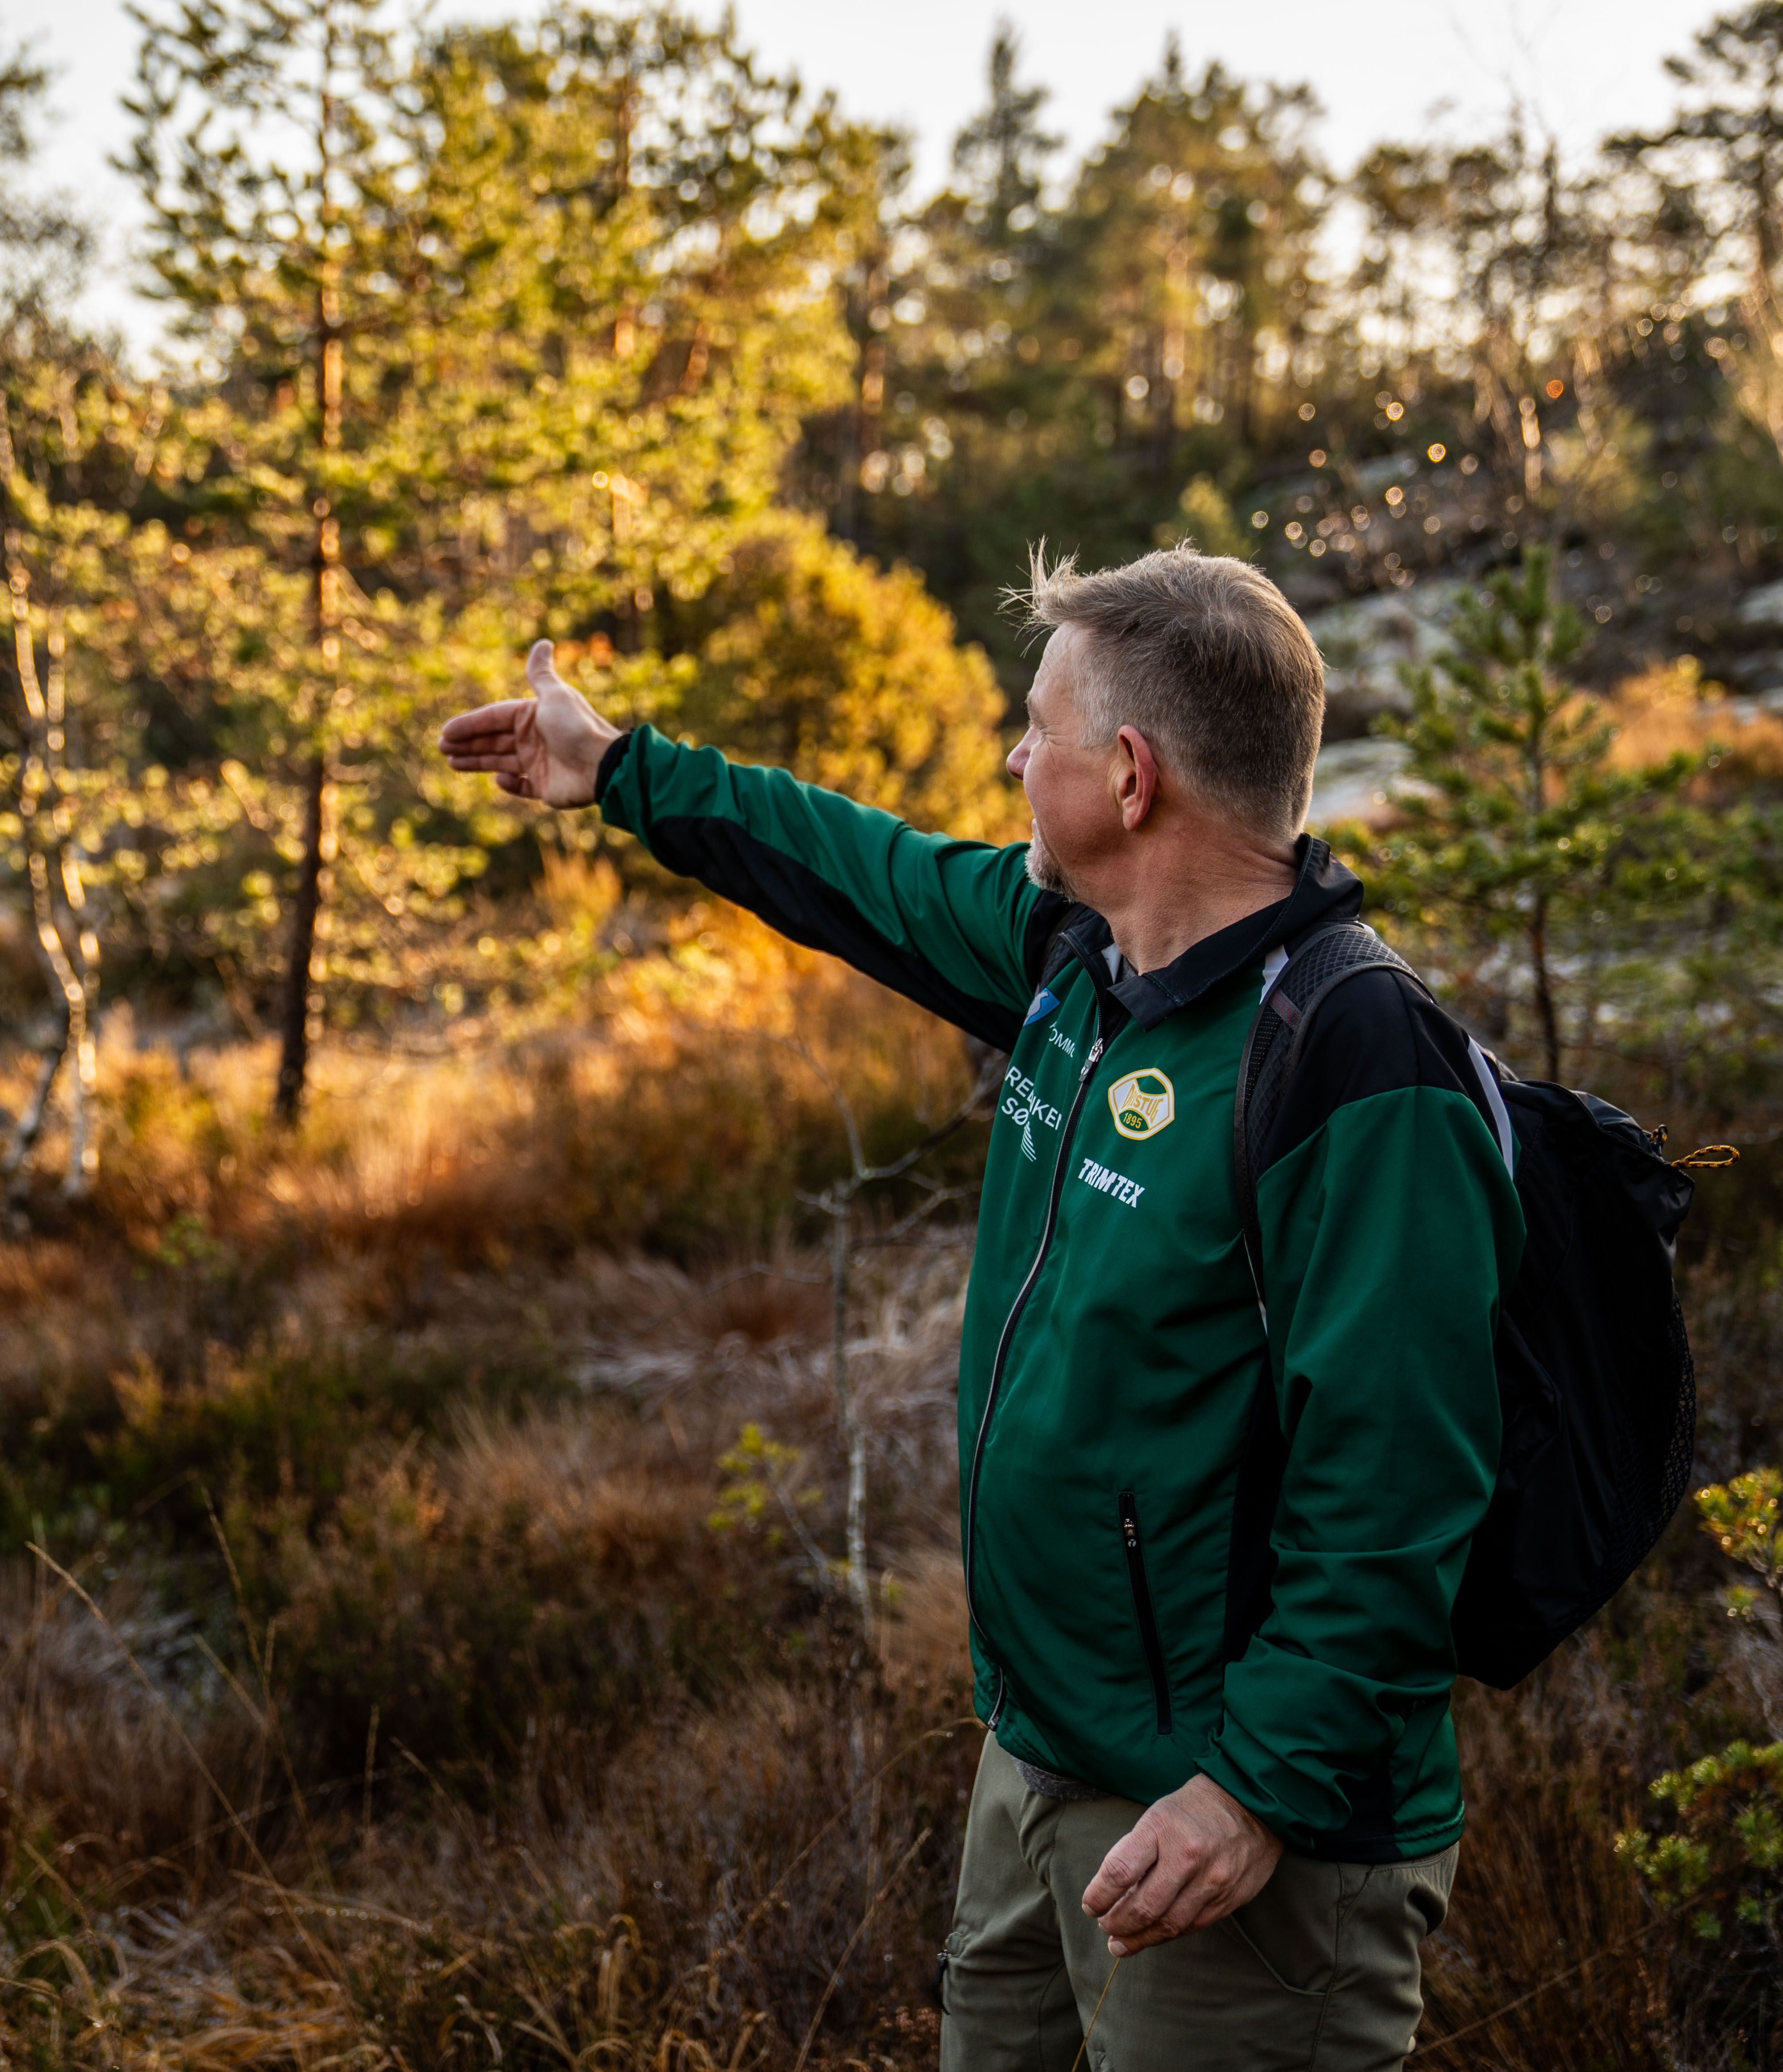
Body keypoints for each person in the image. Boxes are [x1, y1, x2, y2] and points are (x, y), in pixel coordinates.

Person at [439, 545, 1520, 2071]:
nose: (1016, 759)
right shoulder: (1073, 957)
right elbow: (854, 866)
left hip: (1234, 1833)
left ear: (1129, 776)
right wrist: (616, 769)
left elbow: (1399, 1498)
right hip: (1040, 1769)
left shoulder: (1360, 1070)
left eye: (1039, 728)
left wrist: (1253, 1794)